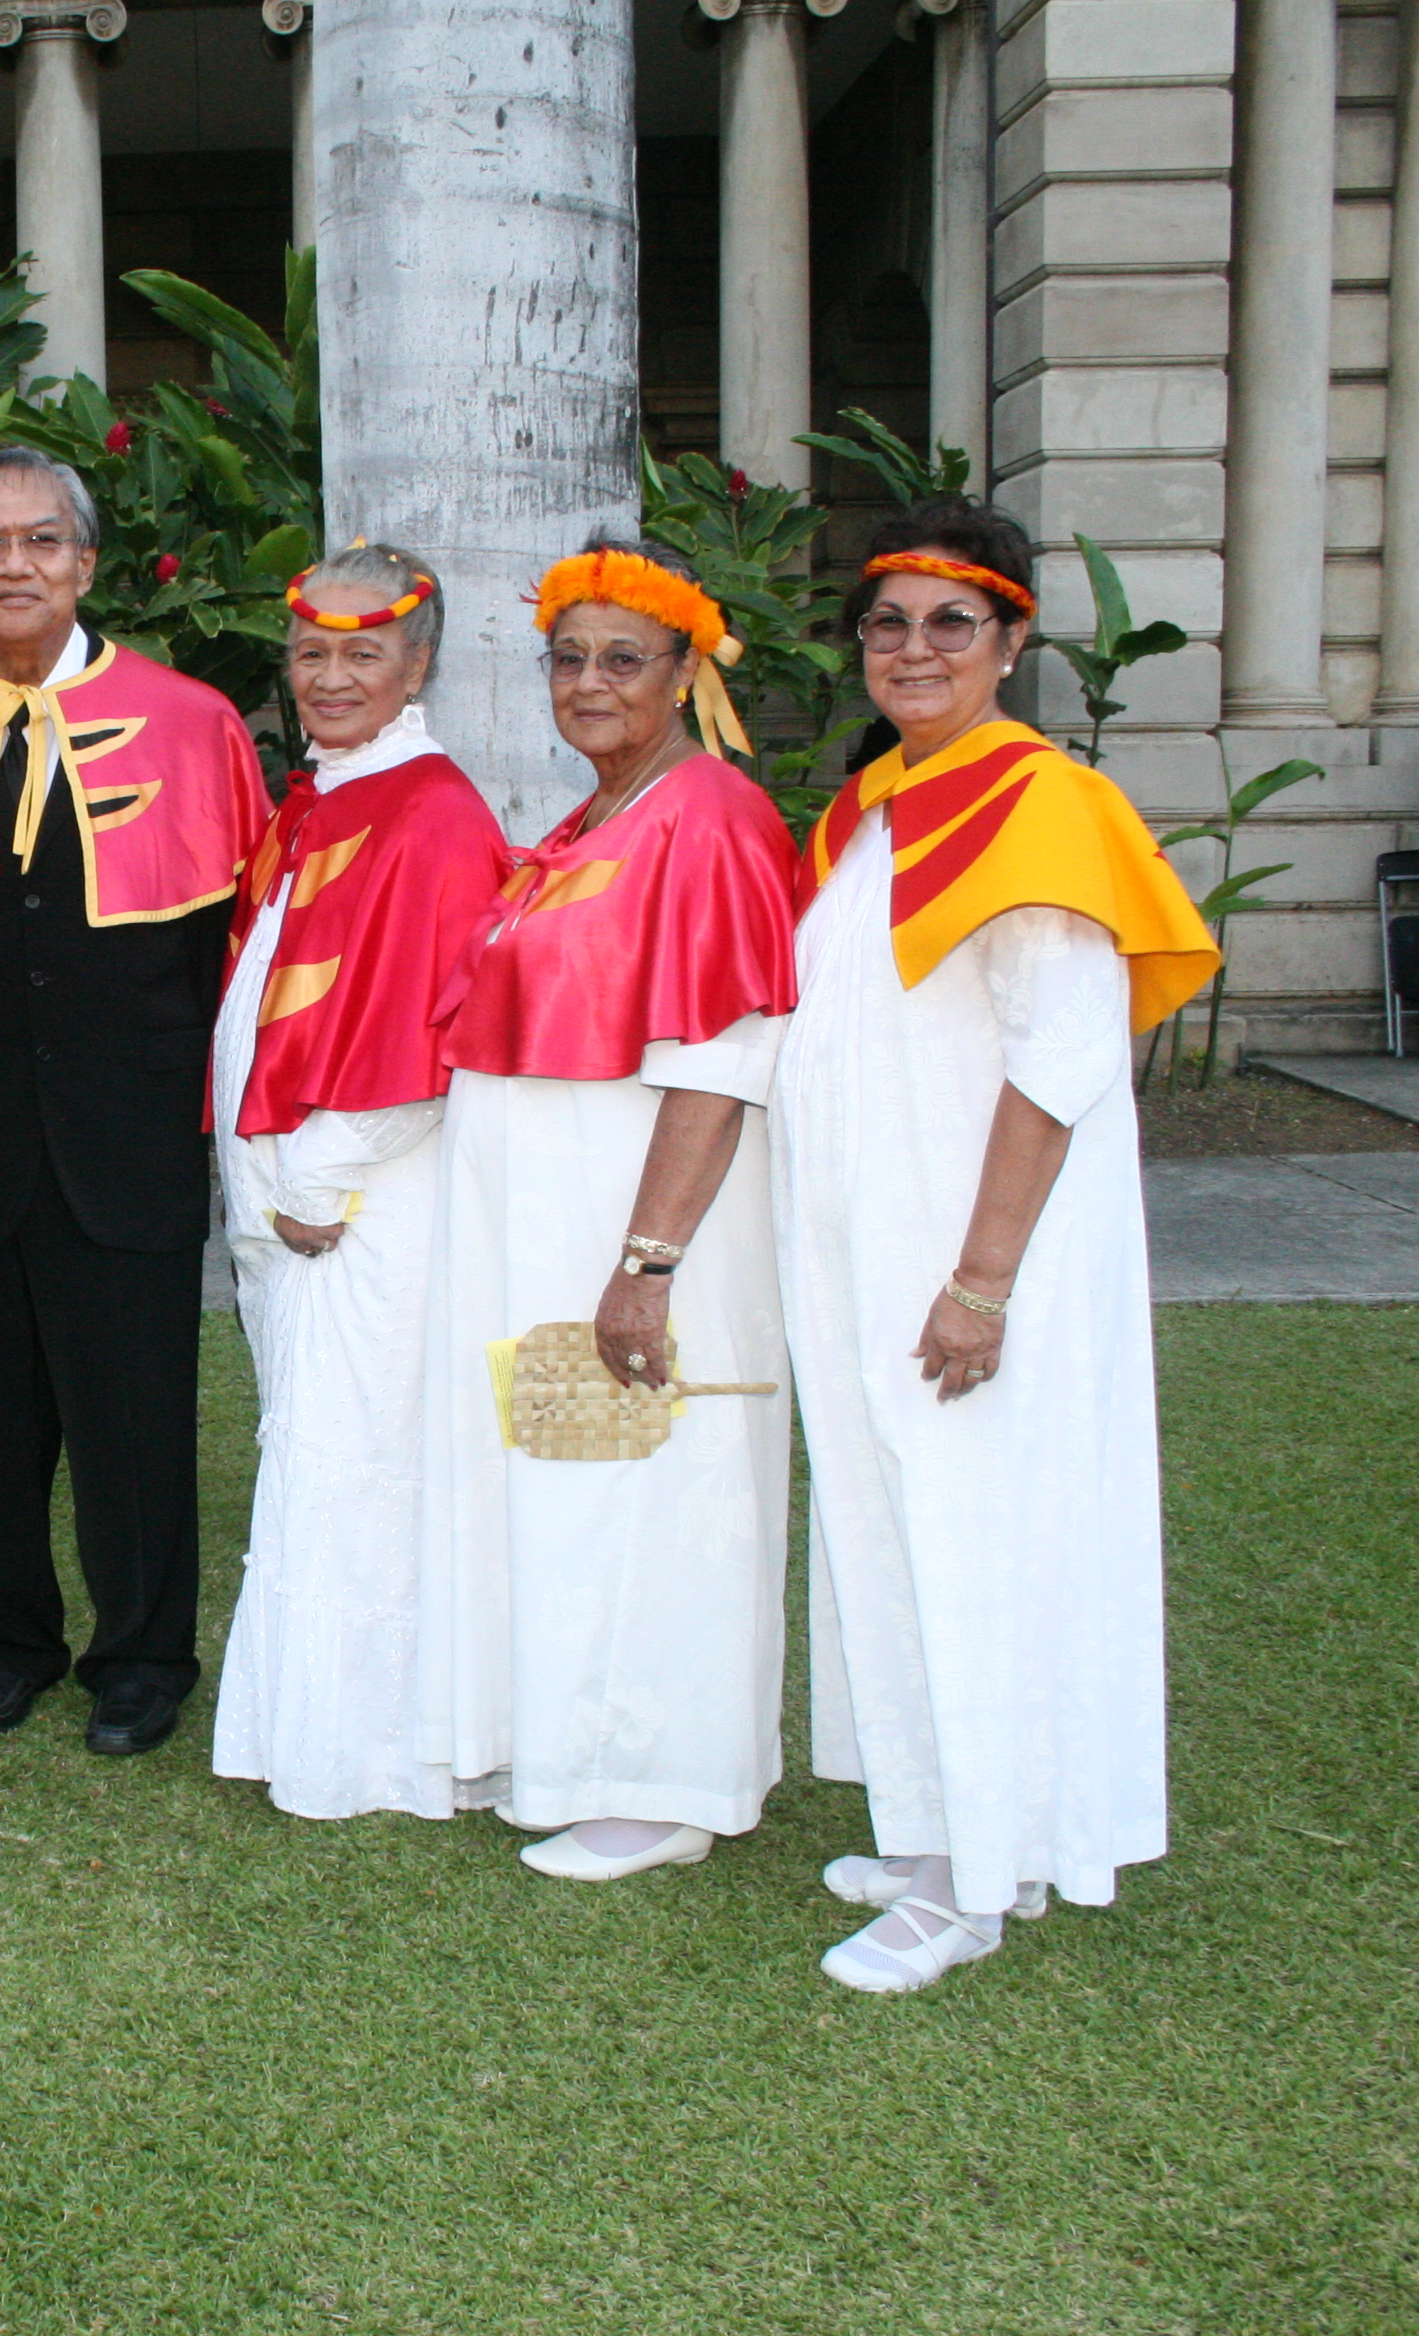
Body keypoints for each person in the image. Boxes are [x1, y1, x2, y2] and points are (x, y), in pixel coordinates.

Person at [772, 497, 1217, 1993]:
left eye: (951, 623)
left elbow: (1062, 1062)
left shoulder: (1048, 806)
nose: (915, 649)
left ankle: (979, 1879)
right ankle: (937, 1829)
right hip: (865, 1238)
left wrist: (981, 1280)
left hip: (973, 1253)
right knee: (893, 1527)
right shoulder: (872, 810)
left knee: (978, 1536)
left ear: (1013, 643)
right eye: (888, 623)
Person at [0, 448, 272, 1758]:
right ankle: (5, 1645)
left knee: (138, 1419)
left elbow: (236, 951)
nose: (16, 564)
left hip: (131, 1134)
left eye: (43, 540)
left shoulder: (193, 723)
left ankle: (144, 1657)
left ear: (87, 563)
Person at [415, 541, 801, 1881]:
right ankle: (581, 1756)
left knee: (662, 1490)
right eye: (568, 658)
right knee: (581, 1485)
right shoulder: (595, 817)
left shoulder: (712, 816)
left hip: (643, 1228)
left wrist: (648, 1265)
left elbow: (724, 1057)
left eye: (623, 659)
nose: (589, 682)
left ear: (685, 673)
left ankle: (670, 1781)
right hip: (557, 1226)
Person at [209, 544, 515, 1821]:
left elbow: (430, 1022)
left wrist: (321, 1174)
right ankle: (321, 1725)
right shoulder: (329, 797)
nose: (331, 676)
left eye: (363, 653)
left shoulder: (429, 810)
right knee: (319, 1446)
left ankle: (378, 1745)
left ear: (418, 663)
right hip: (293, 1197)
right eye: (311, 652)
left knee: (361, 1457)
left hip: (357, 1203)